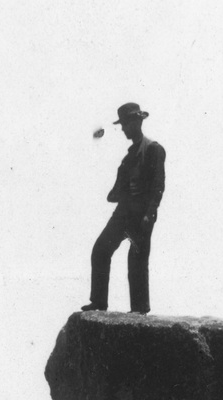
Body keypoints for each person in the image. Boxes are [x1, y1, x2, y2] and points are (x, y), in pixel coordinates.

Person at [83, 103, 165, 314]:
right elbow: (117, 191)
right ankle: (98, 302)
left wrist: (150, 214)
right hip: (123, 212)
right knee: (100, 250)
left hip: (141, 215)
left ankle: (139, 311)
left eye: (126, 125)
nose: (123, 130)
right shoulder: (128, 157)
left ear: (136, 122)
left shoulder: (154, 149)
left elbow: (158, 186)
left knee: (136, 260)